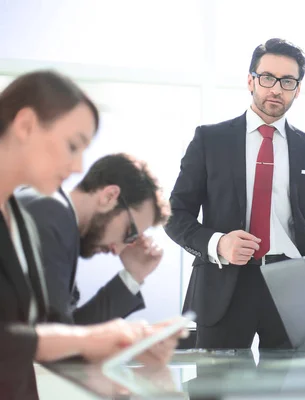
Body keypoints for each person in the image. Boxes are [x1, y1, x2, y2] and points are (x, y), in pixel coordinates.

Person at [0, 71, 181, 397]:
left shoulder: (22, 213)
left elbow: (52, 333)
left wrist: (131, 286)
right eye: (73, 146)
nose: (78, 166)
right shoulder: (48, 210)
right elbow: (53, 335)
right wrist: (118, 339)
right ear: (25, 124)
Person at [166, 38, 305, 349]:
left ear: (297, 89)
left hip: (296, 285)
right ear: (251, 81)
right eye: (267, 78)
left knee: (296, 392)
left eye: (287, 81)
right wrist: (218, 243)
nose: (276, 88)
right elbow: (175, 214)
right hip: (223, 283)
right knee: (218, 393)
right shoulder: (210, 140)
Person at [17, 153, 170, 325]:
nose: (118, 250)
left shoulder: (53, 213)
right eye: (130, 233)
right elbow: (58, 341)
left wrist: (133, 275)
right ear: (109, 196)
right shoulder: (50, 215)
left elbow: (65, 333)